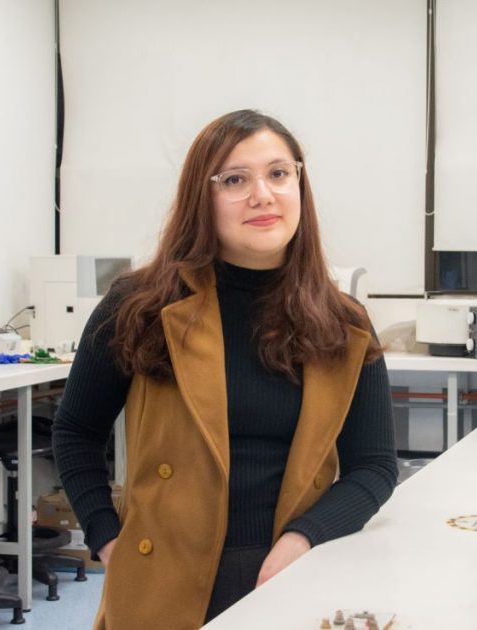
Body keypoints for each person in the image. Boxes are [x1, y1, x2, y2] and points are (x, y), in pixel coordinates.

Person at [52, 109, 398, 628]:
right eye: (235, 179)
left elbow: (374, 466)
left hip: (288, 574)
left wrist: (305, 537)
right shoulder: (140, 305)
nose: (262, 194)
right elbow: (76, 430)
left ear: (300, 186)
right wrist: (106, 537)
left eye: (279, 174)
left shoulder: (342, 324)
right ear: (202, 197)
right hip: (160, 577)